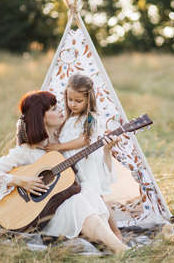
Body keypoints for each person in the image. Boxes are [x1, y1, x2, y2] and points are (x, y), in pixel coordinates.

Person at [0, 91, 128, 253]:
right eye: (53, 109)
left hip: (61, 212)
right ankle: (121, 251)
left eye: (58, 106)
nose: (60, 110)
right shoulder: (25, 152)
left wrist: (106, 150)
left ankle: (114, 248)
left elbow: (99, 180)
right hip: (40, 220)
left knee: (88, 191)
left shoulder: (63, 146)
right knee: (78, 202)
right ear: (40, 117)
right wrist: (21, 181)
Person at [44, 74, 122, 239]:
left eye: (78, 101)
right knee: (82, 198)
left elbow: (84, 140)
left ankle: (115, 232)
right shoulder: (67, 117)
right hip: (71, 165)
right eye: (69, 99)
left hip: (87, 164)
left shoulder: (90, 117)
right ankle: (91, 228)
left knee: (97, 196)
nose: (72, 104)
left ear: (89, 99)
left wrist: (59, 147)